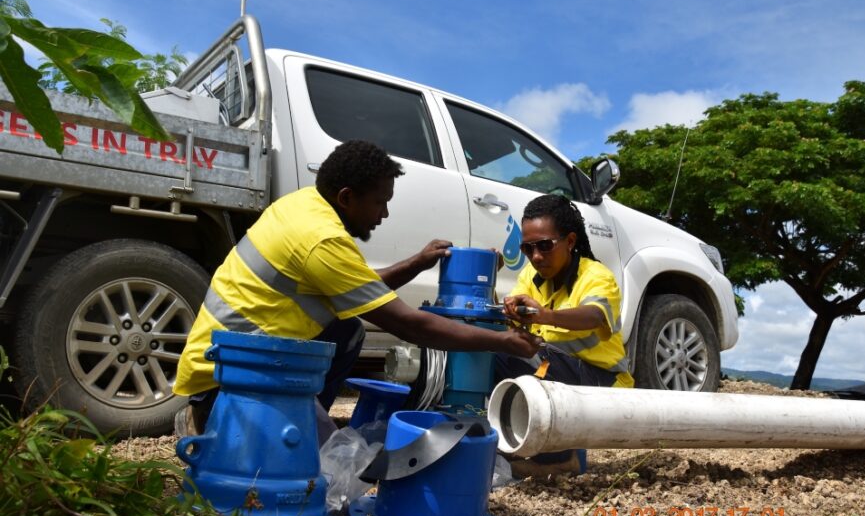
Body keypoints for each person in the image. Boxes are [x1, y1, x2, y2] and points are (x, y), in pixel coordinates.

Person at [173, 139, 541, 440]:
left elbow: (361, 291)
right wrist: (502, 341)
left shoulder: (303, 204)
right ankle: (224, 424)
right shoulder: (322, 240)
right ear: (347, 197)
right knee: (321, 472)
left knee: (346, 329)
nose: (382, 215)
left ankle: (302, 411)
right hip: (230, 378)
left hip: (239, 356)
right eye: (380, 202)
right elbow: (410, 325)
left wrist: (416, 262)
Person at [495, 193, 634, 477]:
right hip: (558, 367)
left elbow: (594, 315)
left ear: (570, 241)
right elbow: (516, 331)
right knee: (501, 351)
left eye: (544, 246)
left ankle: (558, 460)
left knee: (530, 361)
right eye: (528, 248)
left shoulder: (597, 276)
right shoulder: (530, 277)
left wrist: (544, 315)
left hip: (602, 381)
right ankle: (516, 450)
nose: (535, 256)